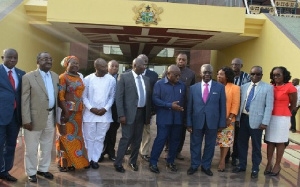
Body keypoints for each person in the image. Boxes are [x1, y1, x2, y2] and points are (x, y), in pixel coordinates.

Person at [22, 52, 59, 182]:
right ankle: (31, 171)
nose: (48, 61)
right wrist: (26, 120)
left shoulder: (55, 76)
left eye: (50, 59)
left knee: (47, 145)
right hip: (33, 118)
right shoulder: (29, 77)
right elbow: (24, 100)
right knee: (31, 147)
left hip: (50, 115)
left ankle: (43, 169)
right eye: (45, 59)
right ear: (38, 61)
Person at [232, 66, 274, 179]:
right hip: (243, 119)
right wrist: (237, 119)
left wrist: (265, 122)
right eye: (253, 74)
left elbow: (269, 106)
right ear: (249, 75)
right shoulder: (244, 87)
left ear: (262, 75)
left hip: (257, 121)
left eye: (258, 74)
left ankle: (255, 167)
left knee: (256, 146)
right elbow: (240, 103)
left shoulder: (268, 88)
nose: (255, 76)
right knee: (241, 144)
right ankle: (242, 165)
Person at [186, 64, 226, 176]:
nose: (207, 74)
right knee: (195, 144)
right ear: (200, 73)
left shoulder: (220, 87)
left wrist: (222, 123)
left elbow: (223, 107)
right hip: (196, 122)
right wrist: (188, 123)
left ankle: (206, 166)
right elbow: (189, 107)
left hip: (212, 122)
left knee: (210, 145)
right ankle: (194, 165)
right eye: (205, 72)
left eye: (209, 72)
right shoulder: (193, 88)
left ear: (212, 73)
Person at [114, 58, 151, 173]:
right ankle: (118, 163)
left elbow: (148, 98)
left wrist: (148, 114)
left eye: (145, 65)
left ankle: (133, 161)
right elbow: (119, 98)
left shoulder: (146, 79)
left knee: (138, 139)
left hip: (142, 113)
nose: (144, 67)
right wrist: (121, 115)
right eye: (142, 65)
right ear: (134, 65)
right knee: (126, 138)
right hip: (128, 114)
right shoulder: (124, 77)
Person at [149, 65, 186, 174]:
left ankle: (170, 161)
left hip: (177, 118)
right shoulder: (159, 84)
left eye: (179, 75)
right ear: (168, 74)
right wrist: (169, 105)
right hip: (164, 118)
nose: (178, 77)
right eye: (176, 75)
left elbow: (184, 100)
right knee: (160, 139)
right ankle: (153, 162)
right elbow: (155, 99)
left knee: (175, 141)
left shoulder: (182, 85)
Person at [56, 56, 89, 172]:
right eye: (73, 63)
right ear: (66, 64)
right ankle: (64, 163)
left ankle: (76, 162)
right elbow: (61, 96)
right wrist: (65, 112)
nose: (76, 65)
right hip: (67, 113)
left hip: (78, 113)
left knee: (76, 136)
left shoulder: (79, 77)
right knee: (65, 137)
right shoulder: (63, 77)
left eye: (77, 64)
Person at [82, 58, 116, 169]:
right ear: (96, 67)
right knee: (89, 138)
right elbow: (84, 96)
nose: (106, 68)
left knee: (100, 138)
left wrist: (105, 109)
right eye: (102, 66)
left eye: (106, 66)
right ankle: (88, 159)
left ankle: (95, 160)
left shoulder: (111, 79)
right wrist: (91, 108)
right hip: (90, 113)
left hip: (104, 114)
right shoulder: (87, 79)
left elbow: (112, 97)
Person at [264, 67, 297, 176]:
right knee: (270, 141)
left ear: (284, 75)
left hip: (282, 118)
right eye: (274, 75)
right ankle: (269, 163)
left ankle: (277, 165)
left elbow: (293, 104)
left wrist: (286, 111)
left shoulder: (290, 87)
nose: (276, 77)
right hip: (270, 116)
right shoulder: (271, 86)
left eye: (278, 75)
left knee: (280, 141)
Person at [0, 49, 25, 182]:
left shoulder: (21, 74)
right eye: (9, 57)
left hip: (15, 117)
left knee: (10, 145)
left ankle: (5, 171)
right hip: (0, 115)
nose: (13, 60)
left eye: (15, 58)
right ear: (3, 57)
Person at [164, 53, 195, 160]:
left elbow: (192, 89)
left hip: (184, 107)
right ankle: (168, 149)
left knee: (181, 130)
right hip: (170, 106)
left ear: (187, 61)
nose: (181, 61)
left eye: (183, 60)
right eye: (179, 59)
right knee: (168, 128)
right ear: (176, 60)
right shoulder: (169, 70)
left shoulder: (191, 73)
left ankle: (178, 151)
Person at [216, 67, 240, 172]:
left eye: (221, 74)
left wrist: (230, 118)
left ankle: (222, 161)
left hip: (227, 120)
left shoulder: (234, 88)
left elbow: (235, 104)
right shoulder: (215, 86)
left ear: (227, 76)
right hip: (214, 119)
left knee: (225, 141)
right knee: (215, 141)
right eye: (218, 74)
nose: (218, 76)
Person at [228, 58, 251, 166]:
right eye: (233, 64)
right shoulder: (228, 76)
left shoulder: (246, 77)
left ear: (241, 65)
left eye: (237, 64)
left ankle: (235, 156)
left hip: (240, 111)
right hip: (228, 110)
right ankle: (226, 155)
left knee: (238, 136)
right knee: (227, 133)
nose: (234, 66)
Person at [138, 54, 158, 162]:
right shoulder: (128, 73)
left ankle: (144, 152)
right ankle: (131, 148)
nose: (143, 63)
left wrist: (153, 109)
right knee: (132, 130)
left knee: (146, 131)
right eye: (141, 61)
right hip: (134, 109)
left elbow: (155, 93)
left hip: (147, 109)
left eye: (145, 61)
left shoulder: (153, 75)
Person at [100, 60, 120, 162]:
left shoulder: (121, 79)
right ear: (107, 67)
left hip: (116, 110)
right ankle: (101, 152)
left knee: (113, 132)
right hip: (104, 109)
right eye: (112, 66)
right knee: (103, 131)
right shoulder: (102, 78)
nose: (115, 68)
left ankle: (111, 152)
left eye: (117, 66)